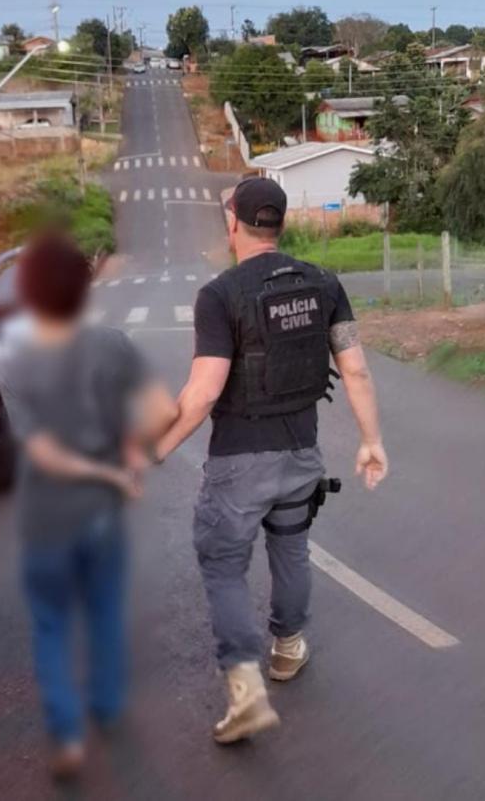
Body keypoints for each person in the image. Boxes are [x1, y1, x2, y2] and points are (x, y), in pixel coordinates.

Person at [149, 177, 388, 744]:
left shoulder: (220, 295)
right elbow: (354, 367)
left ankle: (246, 693)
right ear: (280, 223)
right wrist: (371, 440)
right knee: (291, 548)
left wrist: (154, 449)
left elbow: (205, 392)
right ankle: (287, 648)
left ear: (232, 220)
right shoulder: (326, 284)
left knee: (226, 566)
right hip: (302, 453)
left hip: (238, 462)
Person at [0, 231, 177, 778]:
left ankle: (68, 738)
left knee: (51, 625)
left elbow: (44, 451)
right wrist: (127, 457)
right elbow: (163, 411)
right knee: (103, 611)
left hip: (47, 515)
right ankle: (106, 705)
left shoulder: (18, 357)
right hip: (101, 513)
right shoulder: (113, 344)